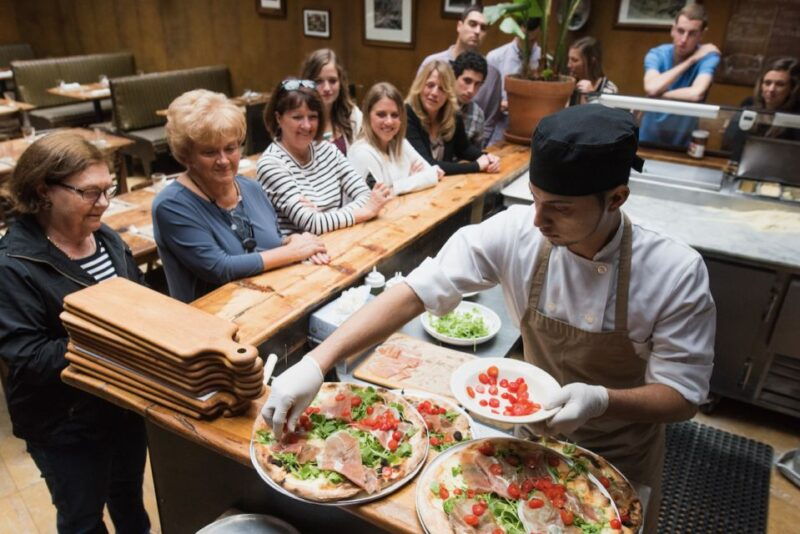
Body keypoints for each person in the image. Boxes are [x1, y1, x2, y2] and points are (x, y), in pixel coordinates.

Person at [262, 105, 716, 534]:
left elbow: (682, 396)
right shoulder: (517, 231)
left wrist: (600, 400)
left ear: (616, 198)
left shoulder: (673, 271)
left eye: (560, 208)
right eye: (535, 199)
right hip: (531, 442)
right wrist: (317, 362)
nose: (538, 220)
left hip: (619, 455)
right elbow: (416, 291)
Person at [0, 132, 151, 533]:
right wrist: (114, 337)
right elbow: (29, 357)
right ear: (43, 191)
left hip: (122, 404)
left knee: (129, 502)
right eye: (90, 192)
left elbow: (140, 298)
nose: (104, 202)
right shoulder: (13, 265)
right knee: (82, 520)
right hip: (64, 424)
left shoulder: (106, 238)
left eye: (107, 190)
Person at [153, 89, 327, 303]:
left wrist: (292, 239)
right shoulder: (171, 205)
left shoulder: (252, 188)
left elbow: (268, 242)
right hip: (213, 316)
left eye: (230, 148)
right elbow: (220, 268)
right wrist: (292, 252)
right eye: (209, 152)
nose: (223, 160)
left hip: (272, 301)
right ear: (186, 155)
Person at [257, 78, 391, 235]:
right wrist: (363, 212)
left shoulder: (327, 149)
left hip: (340, 239)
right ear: (278, 118)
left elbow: (366, 195)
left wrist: (325, 219)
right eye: (297, 117)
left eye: (312, 116)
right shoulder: (270, 164)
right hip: (305, 249)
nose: (307, 125)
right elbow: (313, 224)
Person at [419, 5, 504, 146]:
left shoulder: (492, 74)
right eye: (472, 24)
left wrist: (475, 152)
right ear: (459, 26)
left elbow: (489, 122)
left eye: (483, 28)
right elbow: (417, 104)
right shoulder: (432, 63)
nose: (477, 31)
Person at [640, 4, 721, 147]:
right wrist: (692, 60)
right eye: (680, 31)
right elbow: (652, 88)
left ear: (702, 34)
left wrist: (659, 95)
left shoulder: (708, 57)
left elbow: (697, 93)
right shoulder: (657, 54)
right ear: (673, 29)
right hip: (648, 137)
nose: (684, 39)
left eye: (692, 33)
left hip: (683, 141)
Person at [405, 60, 500, 176]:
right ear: (420, 85)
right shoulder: (407, 114)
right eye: (430, 85)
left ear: (449, 93)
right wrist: (476, 166)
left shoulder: (453, 115)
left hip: (444, 183)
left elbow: (464, 149)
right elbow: (427, 164)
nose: (434, 93)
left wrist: (487, 157)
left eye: (442, 89)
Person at [348, 82, 444, 195]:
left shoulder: (401, 143)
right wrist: (414, 179)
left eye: (394, 115)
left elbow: (435, 173)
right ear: (368, 116)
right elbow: (381, 198)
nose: (389, 121)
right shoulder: (361, 153)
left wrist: (396, 187)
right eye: (381, 114)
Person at [723, 57, 800, 160]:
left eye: (780, 84)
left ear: (792, 88)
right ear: (761, 85)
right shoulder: (749, 104)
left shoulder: (796, 115)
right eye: (767, 83)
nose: (771, 89)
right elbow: (731, 145)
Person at [486, 17, 542, 141]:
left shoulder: (544, 60)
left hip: (534, 125)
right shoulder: (495, 57)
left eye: (533, 40)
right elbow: (486, 98)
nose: (528, 44)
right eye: (524, 39)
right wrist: (499, 104)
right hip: (500, 122)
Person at [300, 48, 362, 155]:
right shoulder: (296, 119)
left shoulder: (353, 115)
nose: (327, 88)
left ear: (340, 82)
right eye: (319, 81)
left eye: (332, 81)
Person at [451, 50, 488, 147]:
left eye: (477, 84)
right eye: (467, 81)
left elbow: (475, 152)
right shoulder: (435, 103)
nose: (471, 90)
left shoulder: (477, 114)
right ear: (454, 76)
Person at [567, 36, 618, 106]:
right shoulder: (570, 84)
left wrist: (592, 96)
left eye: (575, 60)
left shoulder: (609, 88)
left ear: (591, 61)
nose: (568, 65)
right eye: (569, 59)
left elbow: (605, 112)